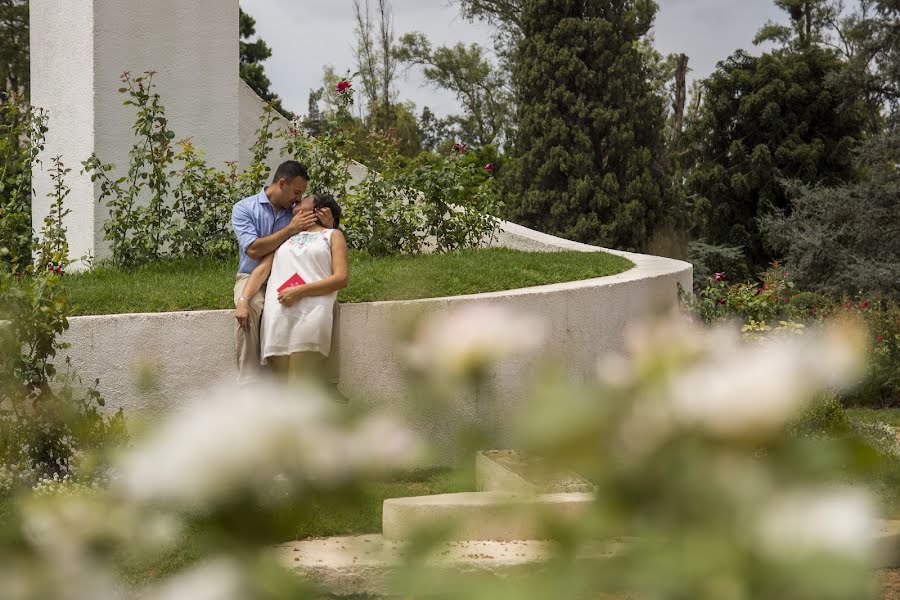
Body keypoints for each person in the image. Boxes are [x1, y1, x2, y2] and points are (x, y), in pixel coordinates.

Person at [231, 161, 334, 383]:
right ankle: (248, 383)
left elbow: (320, 241)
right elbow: (253, 249)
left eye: (302, 194)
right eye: (296, 192)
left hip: (289, 276)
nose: (298, 199)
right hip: (253, 276)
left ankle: (322, 382)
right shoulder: (244, 208)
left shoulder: (296, 211)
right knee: (253, 306)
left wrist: (331, 224)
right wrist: (290, 229)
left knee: (318, 305)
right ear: (281, 183)